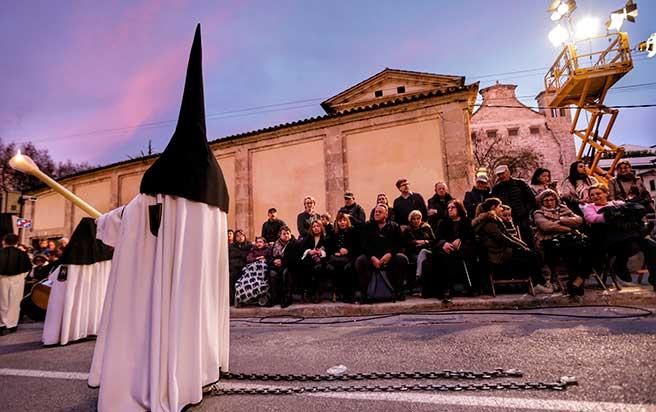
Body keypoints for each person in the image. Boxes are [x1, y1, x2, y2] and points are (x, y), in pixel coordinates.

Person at [88, 26, 231, 411]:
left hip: (165, 284)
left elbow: (139, 218)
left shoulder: (167, 172)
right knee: (192, 305)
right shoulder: (216, 179)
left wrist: (108, 221)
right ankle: (196, 369)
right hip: (192, 290)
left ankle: (162, 378)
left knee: (164, 312)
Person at [42, 217, 114, 345]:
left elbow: (60, 276)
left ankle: (68, 333)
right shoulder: (105, 253)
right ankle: (92, 327)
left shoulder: (73, 251)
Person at [583, 184, 656, 289]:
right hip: (607, 240)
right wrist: (615, 214)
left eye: (598, 193)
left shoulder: (617, 203)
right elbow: (593, 218)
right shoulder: (589, 207)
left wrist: (616, 213)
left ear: (606, 193)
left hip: (629, 236)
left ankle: (654, 279)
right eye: (592, 195)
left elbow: (635, 211)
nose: (595, 196)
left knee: (652, 246)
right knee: (631, 242)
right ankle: (620, 265)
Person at [473, 198, 551, 294]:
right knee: (531, 256)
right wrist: (520, 246)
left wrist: (522, 244)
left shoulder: (494, 219)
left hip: (504, 250)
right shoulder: (489, 223)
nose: (501, 209)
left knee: (532, 253)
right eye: (499, 206)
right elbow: (502, 238)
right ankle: (537, 284)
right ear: (493, 208)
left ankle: (540, 282)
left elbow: (508, 235)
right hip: (498, 254)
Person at [533, 190, 591, 297]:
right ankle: (576, 283)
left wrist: (560, 219)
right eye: (546, 200)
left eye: (552, 200)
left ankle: (575, 282)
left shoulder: (564, 208)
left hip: (569, 240)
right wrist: (568, 227)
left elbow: (578, 220)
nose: (549, 203)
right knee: (571, 251)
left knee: (589, 251)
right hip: (549, 242)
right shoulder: (538, 213)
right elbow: (546, 227)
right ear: (541, 202)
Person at [355, 204, 408, 302]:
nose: (377, 214)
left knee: (402, 259)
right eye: (376, 212)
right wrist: (372, 257)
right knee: (360, 260)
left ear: (386, 214)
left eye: (380, 212)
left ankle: (398, 291)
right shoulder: (368, 226)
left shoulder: (394, 226)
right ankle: (364, 293)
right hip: (372, 257)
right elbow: (363, 245)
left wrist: (390, 254)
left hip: (389, 257)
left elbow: (399, 244)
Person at [433, 200, 478, 300]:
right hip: (447, 248)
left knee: (467, 253)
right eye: (448, 208)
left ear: (459, 208)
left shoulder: (466, 221)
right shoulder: (443, 222)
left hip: (463, 249)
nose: (450, 210)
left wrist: (461, 239)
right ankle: (446, 289)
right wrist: (444, 243)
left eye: (452, 207)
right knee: (442, 256)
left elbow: (472, 238)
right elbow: (437, 239)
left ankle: (469, 287)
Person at [491, 164, 536, 247]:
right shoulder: (496, 188)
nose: (501, 176)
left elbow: (531, 199)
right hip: (505, 220)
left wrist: (525, 212)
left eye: (502, 173)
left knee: (528, 241)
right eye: (499, 174)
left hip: (522, 218)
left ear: (508, 172)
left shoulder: (520, 184)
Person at [0, 233, 32, 335]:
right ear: (16, 242)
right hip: (18, 278)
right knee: (15, 301)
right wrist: (22, 276)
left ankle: (2, 324)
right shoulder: (22, 253)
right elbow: (28, 267)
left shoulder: (0, 252)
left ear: (4, 241)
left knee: (2, 301)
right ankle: (12, 324)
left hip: (2, 278)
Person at [326, 213, 359, 302]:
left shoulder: (353, 231)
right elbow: (329, 246)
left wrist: (348, 251)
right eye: (340, 221)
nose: (342, 223)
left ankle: (348, 295)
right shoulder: (333, 232)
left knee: (347, 268)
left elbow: (357, 247)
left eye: (344, 220)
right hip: (336, 258)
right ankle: (337, 293)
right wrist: (336, 252)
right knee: (333, 267)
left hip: (349, 257)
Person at [402, 210, 435, 290]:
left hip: (427, 250)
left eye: (418, 218)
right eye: (414, 219)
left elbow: (433, 240)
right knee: (421, 258)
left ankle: (419, 276)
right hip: (413, 252)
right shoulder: (407, 230)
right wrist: (416, 242)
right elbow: (406, 243)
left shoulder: (426, 227)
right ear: (410, 220)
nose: (416, 221)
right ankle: (419, 280)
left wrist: (424, 242)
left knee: (424, 254)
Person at [299, 220, 328, 303]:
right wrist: (309, 251)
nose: (316, 228)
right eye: (314, 226)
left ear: (321, 227)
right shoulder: (308, 237)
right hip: (310, 259)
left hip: (321, 260)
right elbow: (302, 248)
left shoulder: (326, 237)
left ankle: (317, 293)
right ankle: (308, 291)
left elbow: (329, 249)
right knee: (305, 266)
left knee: (318, 268)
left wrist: (321, 252)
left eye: (317, 226)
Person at [268, 226, 296, 308]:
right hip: (276, 266)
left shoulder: (294, 243)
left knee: (285, 273)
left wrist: (282, 262)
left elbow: (295, 258)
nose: (286, 235)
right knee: (272, 273)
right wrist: (273, 261)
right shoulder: (275, 244)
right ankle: (274, 297)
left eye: (288, 233)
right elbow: (269, 256)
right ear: (280, 235)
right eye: (284, 234)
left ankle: (287, 298)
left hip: (289, 266)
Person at [229, 230, 252, 305]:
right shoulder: (231, 247)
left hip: (246, 267)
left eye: (242, 235)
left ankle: (246, 299)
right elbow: (229, 258)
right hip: (234, 267)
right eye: (238, 236)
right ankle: (232, 300)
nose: (240, 237)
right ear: (235, 238)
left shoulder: (249, 245)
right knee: (232, 277)